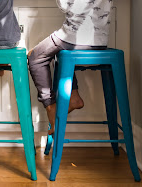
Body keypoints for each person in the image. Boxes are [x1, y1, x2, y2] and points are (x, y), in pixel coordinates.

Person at [28, 0, 113, 135]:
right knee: (59, 55)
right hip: (100, 40)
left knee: (35, 57)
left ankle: (50, 106)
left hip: (73, 38)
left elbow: (65, 5)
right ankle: (74, 97)